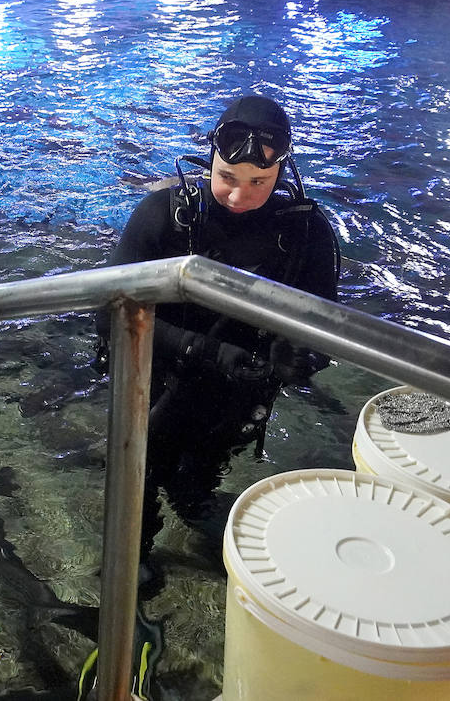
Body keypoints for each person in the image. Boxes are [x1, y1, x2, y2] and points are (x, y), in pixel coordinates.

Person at [97, 94, 340, 579]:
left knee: (204, 468)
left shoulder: (305, 232)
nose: (238, 196)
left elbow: (327, 325)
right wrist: (202, 349)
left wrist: (298, 358)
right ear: (210, 157)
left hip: (241, 384)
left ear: (282, 174)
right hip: (160, 377)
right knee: (142, 472)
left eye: (260, 183)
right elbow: (110, 313)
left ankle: (194, 502)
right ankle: (131, 557)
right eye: (227, 178)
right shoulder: (163, 215)